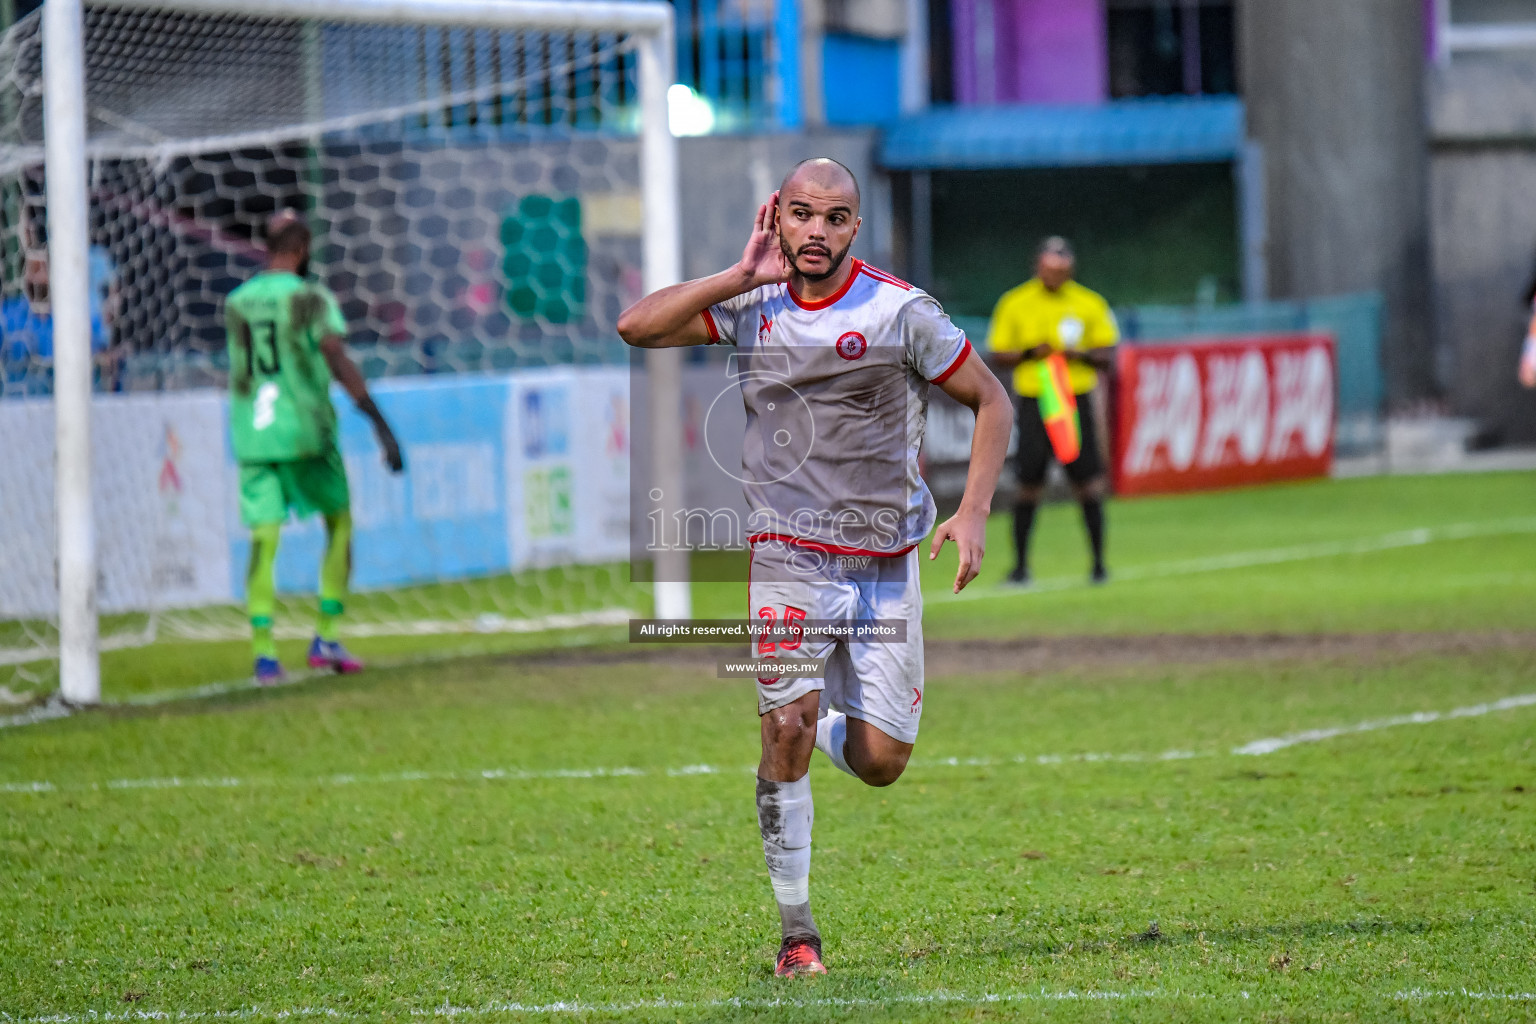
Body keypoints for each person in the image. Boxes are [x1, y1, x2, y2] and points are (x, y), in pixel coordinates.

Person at [617, 159, 1012, 978]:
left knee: (880, 763)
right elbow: (637, 327)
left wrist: (971, 510)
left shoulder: (901, 312)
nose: (816, 231)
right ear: (779, 218)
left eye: (834, 218)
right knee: (782, 729)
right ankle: (798, 936)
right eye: (801, 214)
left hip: (884, 564)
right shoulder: (752, 305)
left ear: (853, 230)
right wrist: (735, 272)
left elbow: (992, 400)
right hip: (786, 554)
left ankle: (826, 720)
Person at [225, 210, 404, 684]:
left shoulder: (237, 302)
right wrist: (379, 423)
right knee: (339, 523)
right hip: (306, 430)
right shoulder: (310, 298)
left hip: (253, 434)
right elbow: (334, 356)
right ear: (303, 248)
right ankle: (325, 636)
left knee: (264, 539)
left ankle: (264, 652)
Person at [986, 236, 1118, 585]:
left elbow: (1107, 355)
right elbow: (998, 353)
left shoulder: (1089, 303)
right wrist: (1031, 353)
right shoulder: (1016, 302)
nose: (1054, 276)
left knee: (1088, 484)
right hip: (1036, 398)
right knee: (1029, 483)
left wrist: (1082, 355)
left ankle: (1099, 565)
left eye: (1061, 271)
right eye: (1049, 270)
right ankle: (1020, 567)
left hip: (1074, 398)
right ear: (1037, 267)